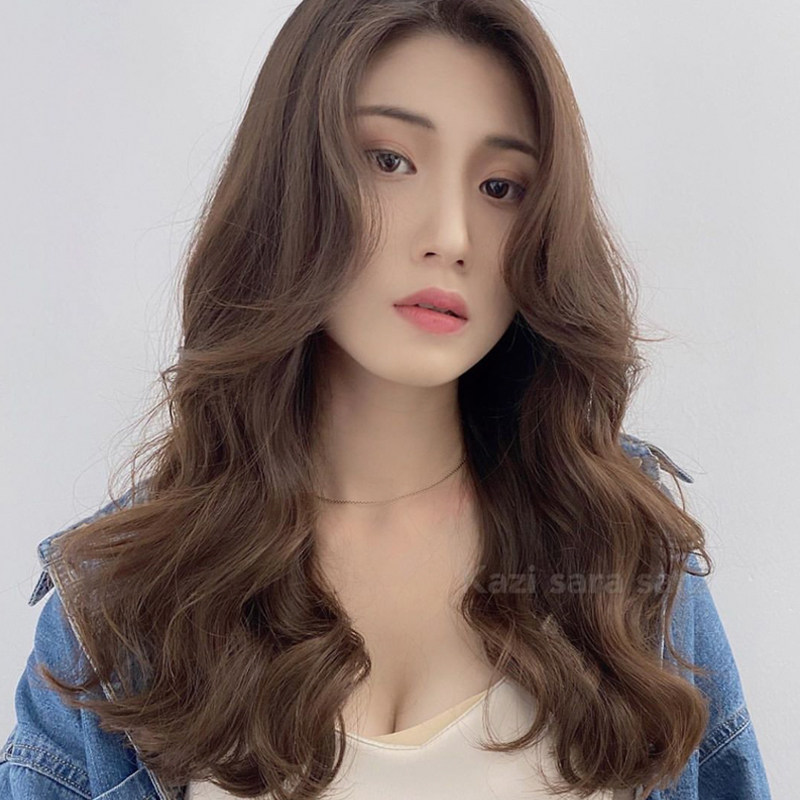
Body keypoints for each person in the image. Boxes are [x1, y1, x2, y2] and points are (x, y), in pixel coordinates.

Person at [1, 1, 771, 798]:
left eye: (501, 186)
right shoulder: (123, 608)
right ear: (290, 182)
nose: (452, 236)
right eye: (390, 161)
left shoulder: (623, 560)